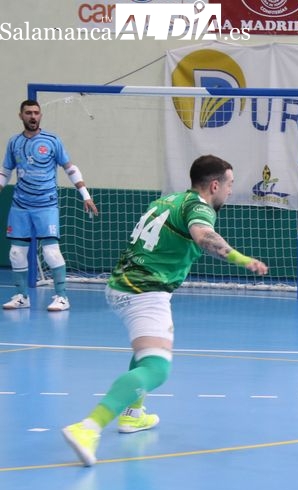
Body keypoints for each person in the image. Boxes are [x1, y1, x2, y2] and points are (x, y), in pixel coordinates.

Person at [62, 154, 268, 466]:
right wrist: (242, 260)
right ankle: (88, 428)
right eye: (229, 184)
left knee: (145, 354)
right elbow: (204, 236)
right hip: (145, 291)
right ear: (214, 185)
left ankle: (132, 414)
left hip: (123, 283)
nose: (230, 191)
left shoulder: (168, 200)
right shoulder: (199, 207)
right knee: (157, 368)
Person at [1, 99, 99, 311]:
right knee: (16, 253)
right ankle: (22, 297)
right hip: (20, 206)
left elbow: (70, 168)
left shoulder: (53, 140)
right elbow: (5, 171)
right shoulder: (13, 142)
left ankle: (62, 297)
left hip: (46, 205)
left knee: (51, 253)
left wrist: (86, 195)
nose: (33, 116)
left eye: (36, 113)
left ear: (40, 115)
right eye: (28, 113)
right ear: (21, 116)